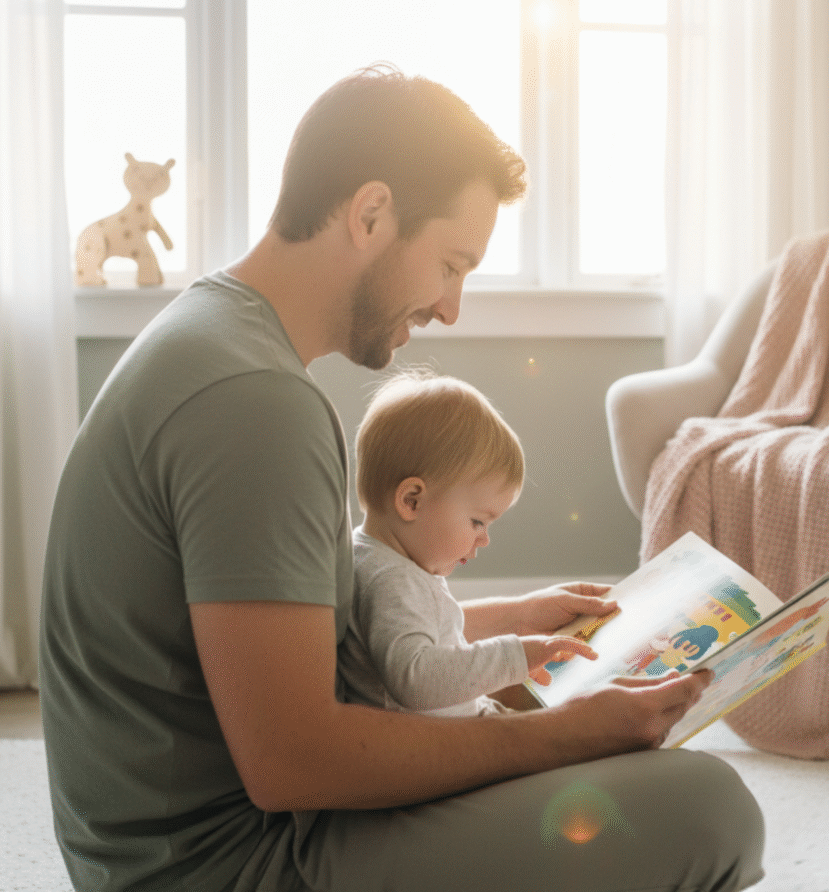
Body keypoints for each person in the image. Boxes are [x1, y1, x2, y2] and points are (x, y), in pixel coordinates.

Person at [39, 64, 764, 892]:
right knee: (710, 810)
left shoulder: (217, 338)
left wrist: (521, 625)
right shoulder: (257, 404)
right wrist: (566, 738)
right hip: (231, 863)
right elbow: (292, 760)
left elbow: (337, 636)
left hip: (186, 841)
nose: (452, 309)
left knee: (563, 731)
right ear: (371, 213)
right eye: (451, 264)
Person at [340, 369, 598, 717]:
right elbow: (415, 677)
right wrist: (515, 657)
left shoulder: (380, 560)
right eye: (477, 521)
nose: (484, 538)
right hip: (430, 756)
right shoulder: (392, 580)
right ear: (412, 501)